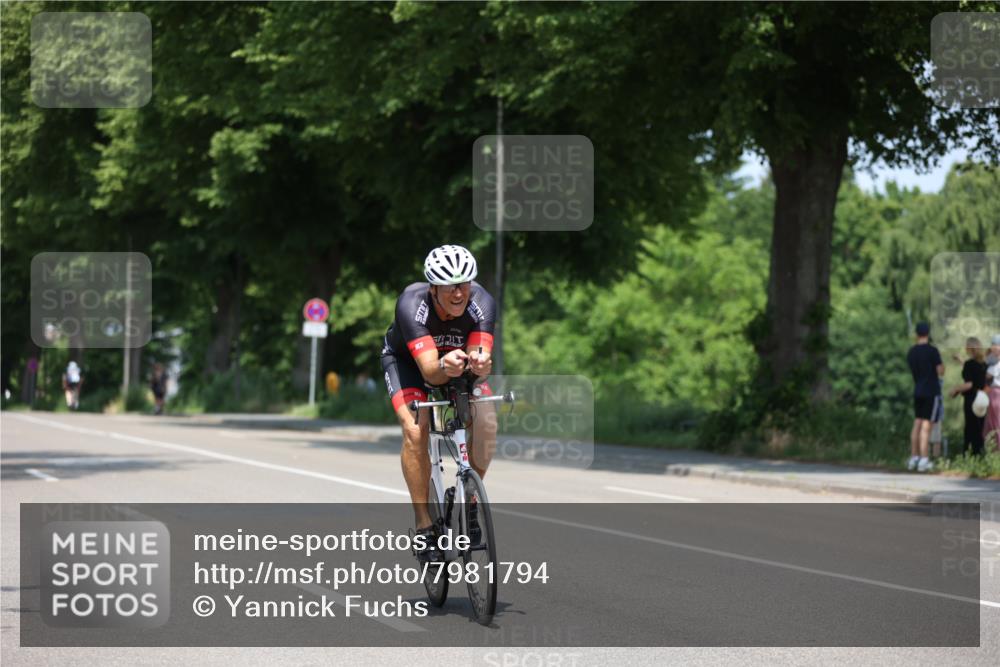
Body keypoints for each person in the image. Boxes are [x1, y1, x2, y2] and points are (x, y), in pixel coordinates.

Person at [380, 245, 496, 561]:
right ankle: (424, 526)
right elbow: (430, 371)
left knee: (487, 421)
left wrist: (480, 364)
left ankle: (470, 501)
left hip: (456, 366)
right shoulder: (411, 304)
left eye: (464, 284)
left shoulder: (483, 303)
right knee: (415, 429)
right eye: (449, 286)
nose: (458, 293)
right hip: (410, 364)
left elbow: (479, 359)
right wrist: (445, 365)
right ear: (433, 288)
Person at [906, 322, 943, 472]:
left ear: (917, 334)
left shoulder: (912, 352)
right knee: (926, 425)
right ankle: (924, 459)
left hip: (918, 390)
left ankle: (914, 457)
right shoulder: (932, 351)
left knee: (917, 423)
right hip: (931, 391)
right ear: (928, 333)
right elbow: (940, 371)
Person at [949, 337, 987, 457]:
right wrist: (961, 360)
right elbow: (973, 372)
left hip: (972, 399)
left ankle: (969, 456)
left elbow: (969, 384)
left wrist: (956, 389)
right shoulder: (983, 364)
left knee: (970, 428)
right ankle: (981, 455)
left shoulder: (970, 365)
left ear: (968, 348)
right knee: (980, 428)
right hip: (983, 398)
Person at [985, 334, 1000, 451]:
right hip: (994, 392)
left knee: (995, 423)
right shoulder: (993, 361)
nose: (993, 347)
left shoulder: (995, 363)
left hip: (996, 393)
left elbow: (987, 376)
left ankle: (996, 451)